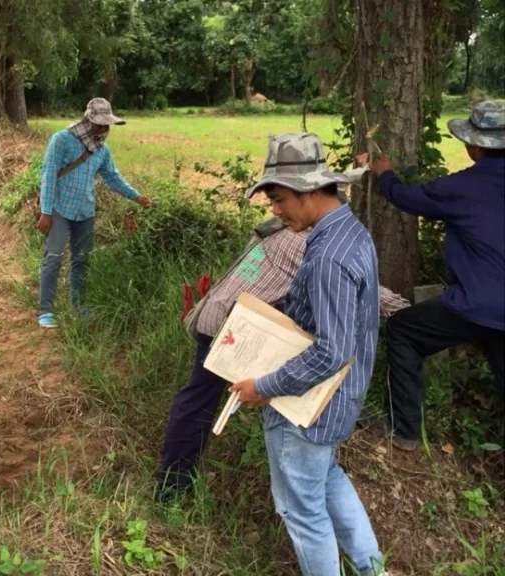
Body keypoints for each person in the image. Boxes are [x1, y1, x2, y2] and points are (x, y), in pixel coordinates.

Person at [158, 214, 410, 495]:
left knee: (200, 397)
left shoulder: (280, 228)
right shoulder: (301, 243)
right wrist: (406, 312)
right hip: (233, 326)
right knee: (211, 399)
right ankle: (174, 485)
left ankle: (173, 481)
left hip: (222, 313)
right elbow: (362, 287)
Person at [228, 133, 385, 575]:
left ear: (309, 191)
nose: (274, 210)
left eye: (278, 199)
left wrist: (263, 386)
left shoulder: (327, 257)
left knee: (302, 510)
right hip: (340, 401)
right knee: (327, 478)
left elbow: (331, 350)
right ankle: (373, 568)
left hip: (308, 408)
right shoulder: (349, 232)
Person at [359, 100, 505, 451]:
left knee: (403, 329)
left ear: (474, 146)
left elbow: (407, 197)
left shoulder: (462, 188)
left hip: (481, 303)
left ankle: (405, 431)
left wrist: (385, 174)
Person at [37, 97, 152, 328]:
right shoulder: (61, 141)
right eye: (99, 124)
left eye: (106, 125)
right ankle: (46, 311)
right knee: (54, 257)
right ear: (88, 120)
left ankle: (79, 306)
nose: (103, 129)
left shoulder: (101, 149)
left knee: (82, 260)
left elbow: (112, 177)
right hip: (59, 209)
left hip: (85, 212)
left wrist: (137, 197)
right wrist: (45, 211)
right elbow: (49, 175)